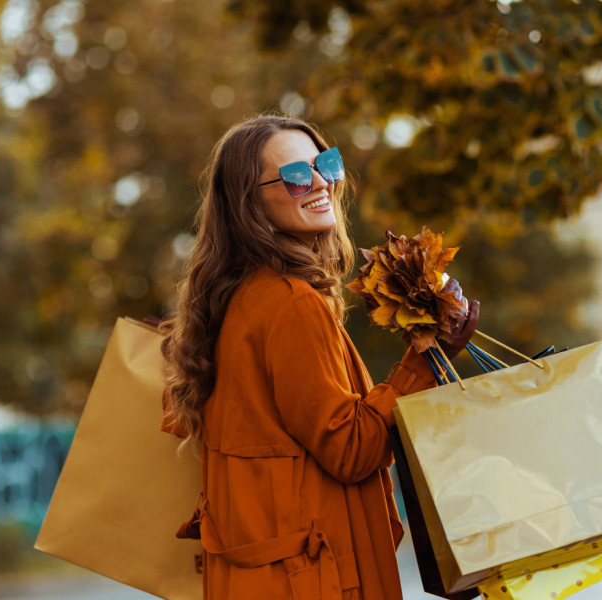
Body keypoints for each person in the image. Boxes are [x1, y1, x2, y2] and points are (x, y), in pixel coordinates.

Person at [160, 114, 478, 600]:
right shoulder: (290, 303)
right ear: (250, 204)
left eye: (325, 164)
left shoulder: (234, 301)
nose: (319, 182)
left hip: (260, 575)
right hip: (310, 577)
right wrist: (423, 361)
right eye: (293, 176)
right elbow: (350, 450)